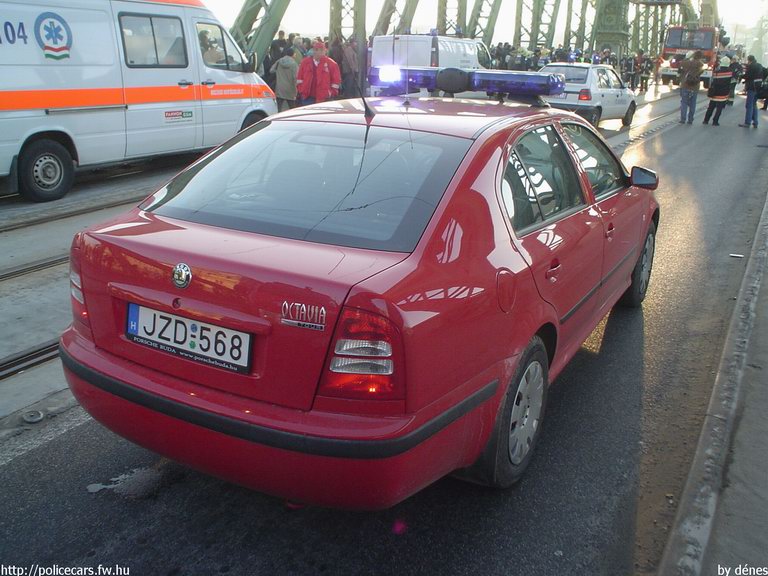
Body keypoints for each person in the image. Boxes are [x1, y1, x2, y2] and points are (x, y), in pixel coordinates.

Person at [296, 41, 341, 105]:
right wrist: (301, 90)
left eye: (322, 50)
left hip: (324, 98)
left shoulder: (332, 64)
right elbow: (299, 78)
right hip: (307, 97)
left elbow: (336, 81)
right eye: (316, 50)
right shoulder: (305, 62)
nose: (318, 52)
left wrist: (330, 93)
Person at [702, 57, 733, 126]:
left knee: (711, 107)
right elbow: (731, 81)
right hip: (724, 93)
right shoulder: (730, 72)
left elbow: (713, 82)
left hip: (715, 92)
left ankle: (706, 120)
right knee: (719, 109)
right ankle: (715, 121)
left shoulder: (716, 72)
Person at [678, 50, 704, 124]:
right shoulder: (701, 64)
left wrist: (688, 58)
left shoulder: (686, 63)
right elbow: (701, 71)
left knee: (684, 102)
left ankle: (683, 119)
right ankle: (690, 119)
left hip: (685, 85)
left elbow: (681, 64)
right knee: (693, 103)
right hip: (695, 86)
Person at [270, 47, 299, 111]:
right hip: (290, 89)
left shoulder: (279, 61)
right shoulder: (294, 64)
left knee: (278, 108)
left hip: (280, 88)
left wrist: (278, 72)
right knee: (292, 108)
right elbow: (296, 77)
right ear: (293, 54)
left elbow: (271, 70)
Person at [739, 55, 763, 127]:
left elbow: (748, 76)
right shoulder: (759, 65)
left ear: (749, 60)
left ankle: (747, 122)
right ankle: (755, 122)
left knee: (749, 105)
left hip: (752, 87)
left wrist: (741, 76)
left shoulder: (751, 66)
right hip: (758, 87)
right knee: (754, 104)